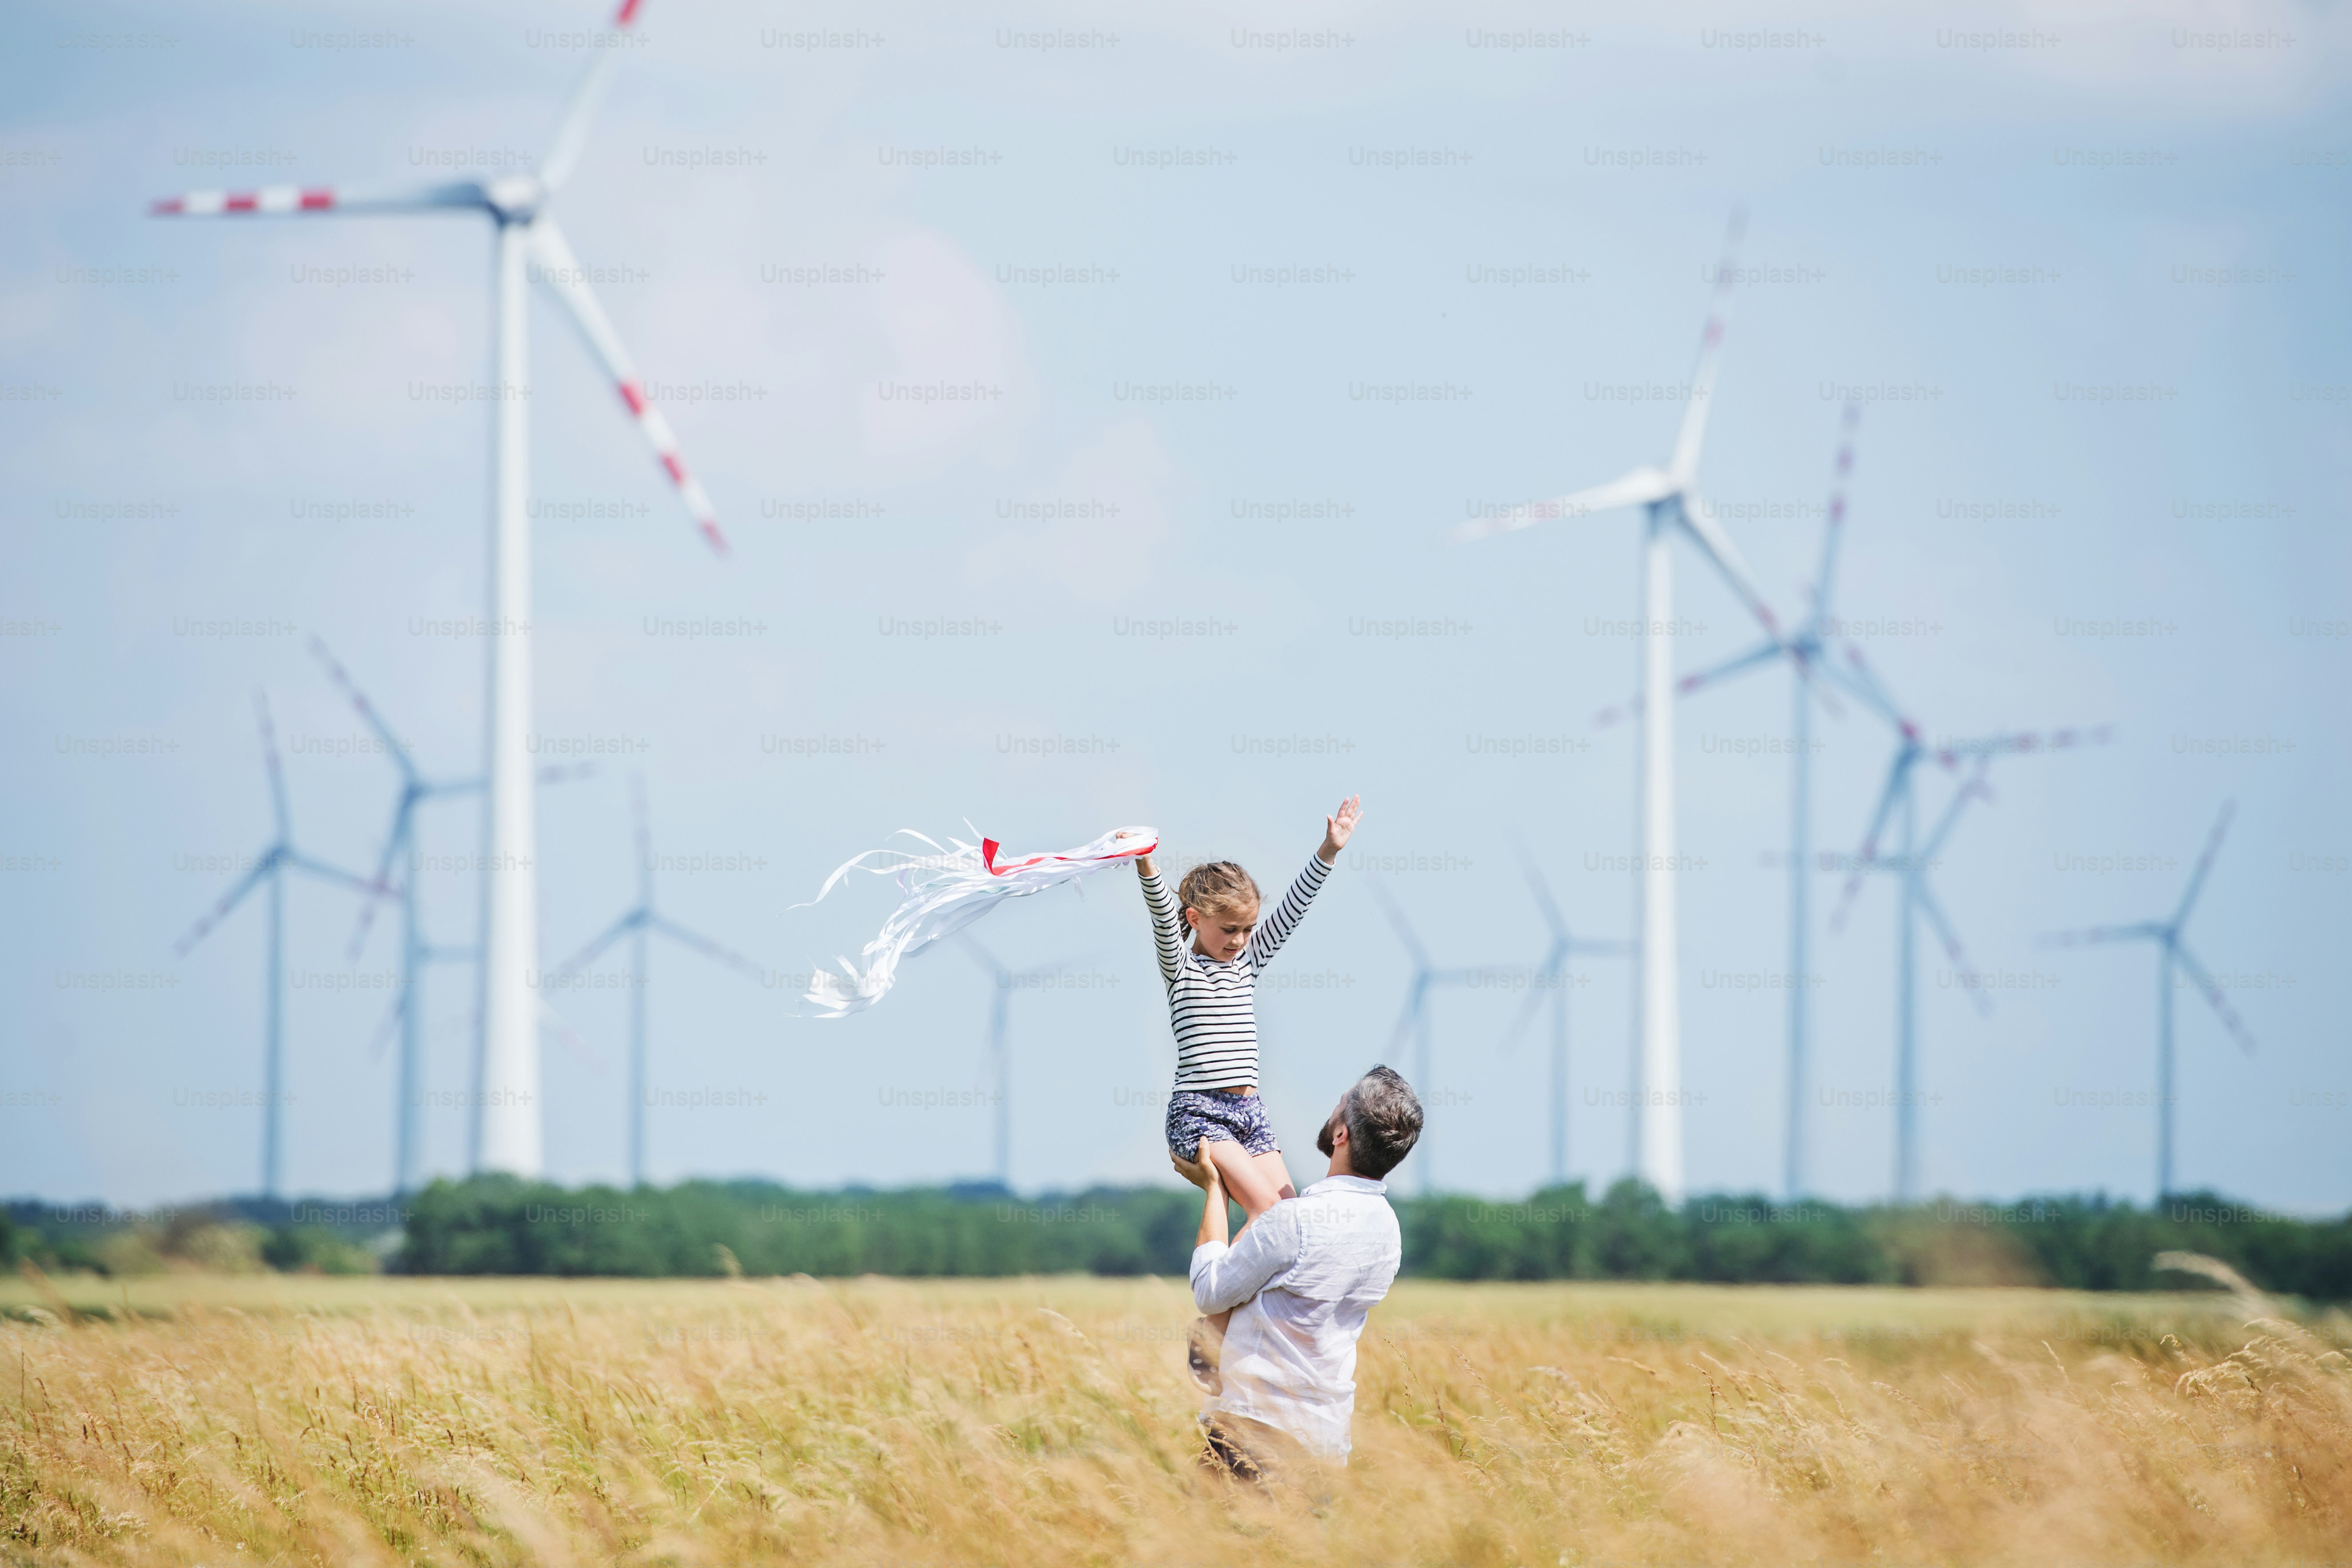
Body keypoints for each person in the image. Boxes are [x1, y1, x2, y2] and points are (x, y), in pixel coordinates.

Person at [1169, 1064, 1424, 1478]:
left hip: (1256, 1436)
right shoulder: (1388, 1231)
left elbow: (1209, 1290)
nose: (1333, 1109)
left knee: (1197, 1542)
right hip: (1326, 1445)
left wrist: (1213, 1190)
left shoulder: (1297, 1222)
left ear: (1341, 1135)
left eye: (1340, 1103)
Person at [1135, 795, 1362, 1224]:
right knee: (1266, 1210)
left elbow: (1292, 911)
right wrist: (1146, 863)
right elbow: (1163, 919)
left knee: (1290, 1218)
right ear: (1196, 919)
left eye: (1248, 929)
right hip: (1199, 1114)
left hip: (1251, 1114)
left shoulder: (1246, 965)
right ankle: (1222, 1285)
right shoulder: (1181, 969)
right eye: (1230, 929)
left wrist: (1329, 851)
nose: (1240, 940)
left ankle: (1252, 1292)